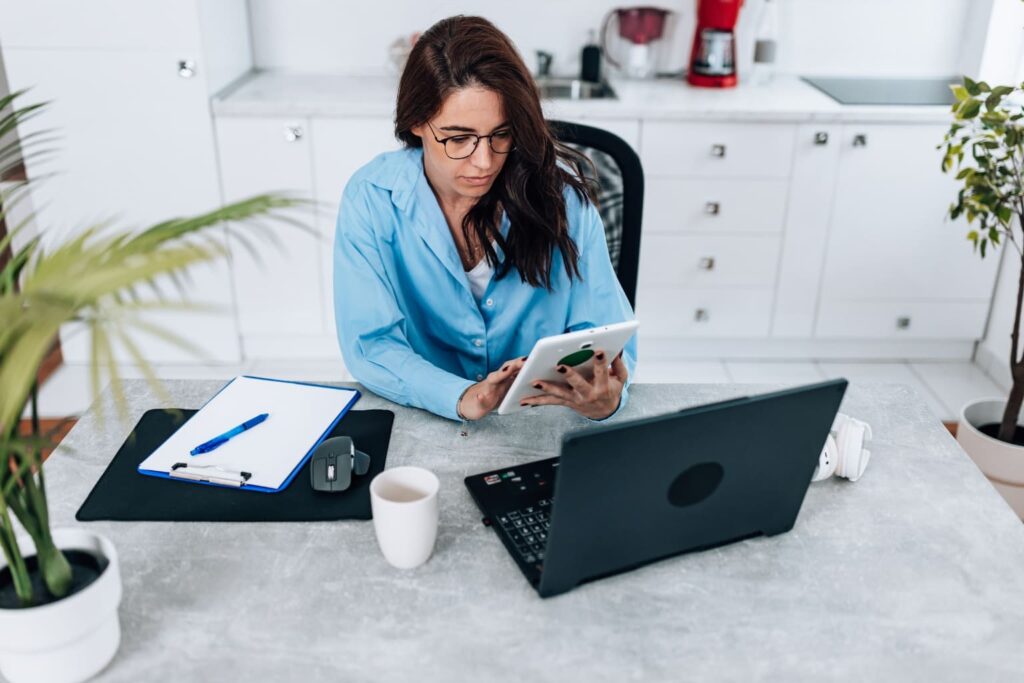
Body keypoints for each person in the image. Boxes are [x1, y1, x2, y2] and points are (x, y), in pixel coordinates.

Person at [333, 15, 637, 422]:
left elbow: (608, 341)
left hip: (539, 423)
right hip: (425, 418)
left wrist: (607, 401)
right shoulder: (371, 199)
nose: (484, 161)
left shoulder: (564, 202)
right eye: (459, 138)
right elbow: (371, 345)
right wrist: (463, 396)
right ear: (416, 122)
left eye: (501, 134)